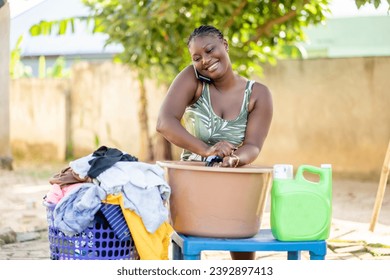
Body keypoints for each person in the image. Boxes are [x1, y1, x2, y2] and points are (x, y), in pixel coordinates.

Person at [156, 25, 273, 260]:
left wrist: (235, 159)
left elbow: (253, 146)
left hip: (234, 178)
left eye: (210, 50)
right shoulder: (193, 79)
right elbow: (165, 122)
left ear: (225, 45)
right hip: (192, 181)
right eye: (197, 57)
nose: (205, 61)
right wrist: (207, 150)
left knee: (241, 236)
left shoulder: (258, 94)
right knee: (192, 243)